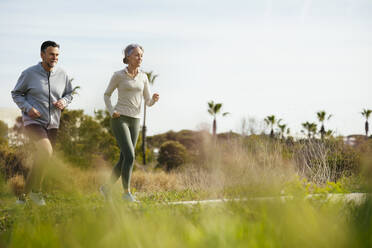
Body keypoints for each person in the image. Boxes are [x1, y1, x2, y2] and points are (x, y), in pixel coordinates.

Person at [11, 41, 74, 205]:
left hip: (53, 122)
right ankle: (36, 193)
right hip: (33, 120)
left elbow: (69, 93)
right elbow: (16, 93)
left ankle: (25, 196)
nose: (55, 58)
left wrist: (64, 102)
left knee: (44, 157)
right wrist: (28, 108)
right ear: (42, 55)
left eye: (57, 55)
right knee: (46, 151)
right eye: (51, 54)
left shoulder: (62, 74)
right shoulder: (29, 74)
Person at [100, 44, 159, 202]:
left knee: (124, 158)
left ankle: (105, 189)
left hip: (135, 120)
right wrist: (112, 111)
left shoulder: (143, 77)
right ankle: (126, 193)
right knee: (130, 155)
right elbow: (106, 95)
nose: (140, 58)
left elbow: (147, 101)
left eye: (141, 55)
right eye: (137, 55)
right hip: (120, 119)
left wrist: (153, 100)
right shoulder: (118, 75)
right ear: (128, 57)